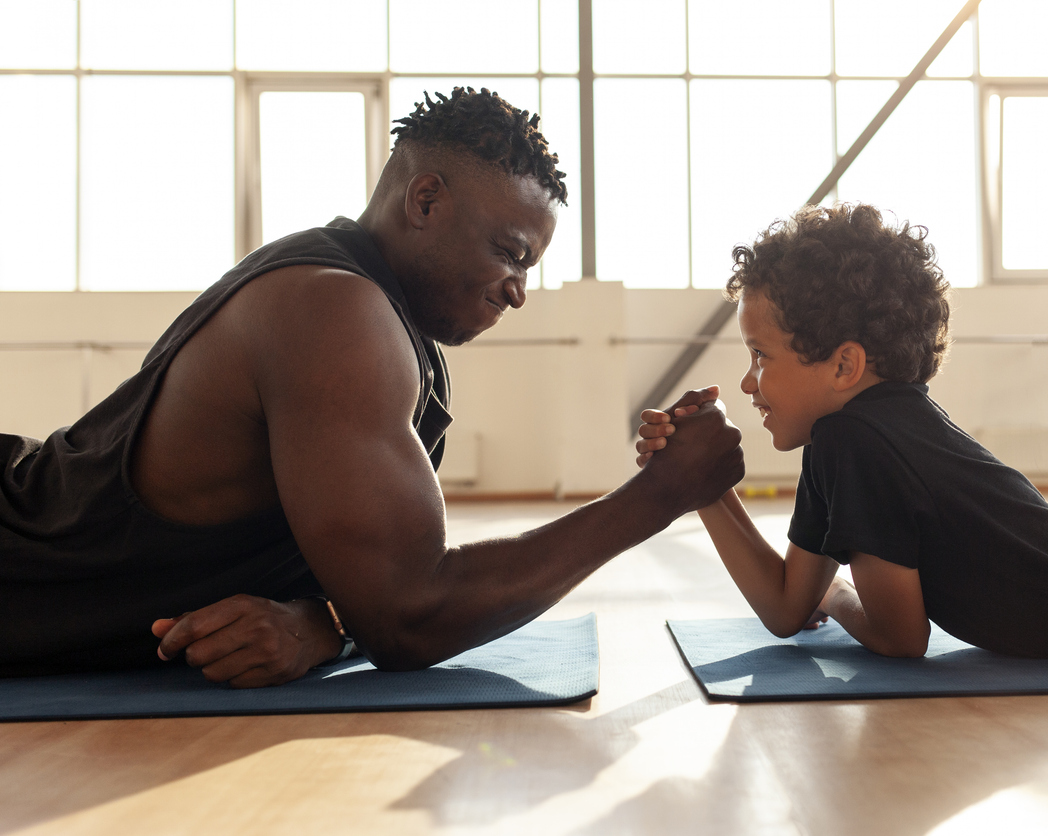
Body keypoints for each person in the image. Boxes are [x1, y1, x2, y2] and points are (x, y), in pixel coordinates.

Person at [1, 87, 744, 686]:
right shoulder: (334, 310)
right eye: (510, 254)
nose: (518, 292)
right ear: (425, 202)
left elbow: (378, 585)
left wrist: (325, 621)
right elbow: (410, 613)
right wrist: (658, 495)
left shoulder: (380, 317)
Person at [638, 203, 1048, 659]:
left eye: (761, 356)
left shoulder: (855, 443)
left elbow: (898, 637)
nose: (747, 384)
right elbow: (783, 606)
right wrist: (705, 485)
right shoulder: (858, 437)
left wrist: (837, 596)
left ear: (845, 365)